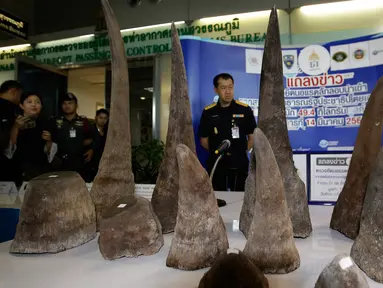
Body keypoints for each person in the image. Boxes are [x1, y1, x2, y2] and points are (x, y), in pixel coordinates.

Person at [198, 73, 257, 191]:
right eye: (223, 88)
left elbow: (252, 137)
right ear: (216, 90)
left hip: (239, 163)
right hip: (217, 164)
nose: (228, 91)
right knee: (217, 199)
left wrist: (240, 152)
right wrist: (217, 152)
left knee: (241, 198)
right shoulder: (208, 112)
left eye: (230, 87)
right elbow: (203, 140)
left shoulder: (244, 110)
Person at [4, 92, 57, 184]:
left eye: (37, 102)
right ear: (21, 105)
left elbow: (50, 153)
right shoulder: (12, 122)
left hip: (39, 170)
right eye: (29, 102)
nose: (34, 105)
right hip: (17, 170)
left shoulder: (46, 123)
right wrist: (16, 127)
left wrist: (49, 141)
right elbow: (8, 150)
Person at [50, 93, 100, 180]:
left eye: (70, 103)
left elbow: (97, 137)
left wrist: (92, 149)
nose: (67, 106)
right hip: (60, 163)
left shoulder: (84, 122)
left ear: (76, 105)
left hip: (79, 163)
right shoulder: (55, 121)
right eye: (64, 103)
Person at [0, 80, 23, 182]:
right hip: (5, 162)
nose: (19, 99)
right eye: (19, 95)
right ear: (14, 92)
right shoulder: (9, 108)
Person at [86, 108, 109, 182]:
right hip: (91, 163)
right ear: (96, 118)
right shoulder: (89, 129)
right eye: (100, 118)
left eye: (105, 118)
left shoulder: (108, 132)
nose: (103, 120)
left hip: (104, 163)